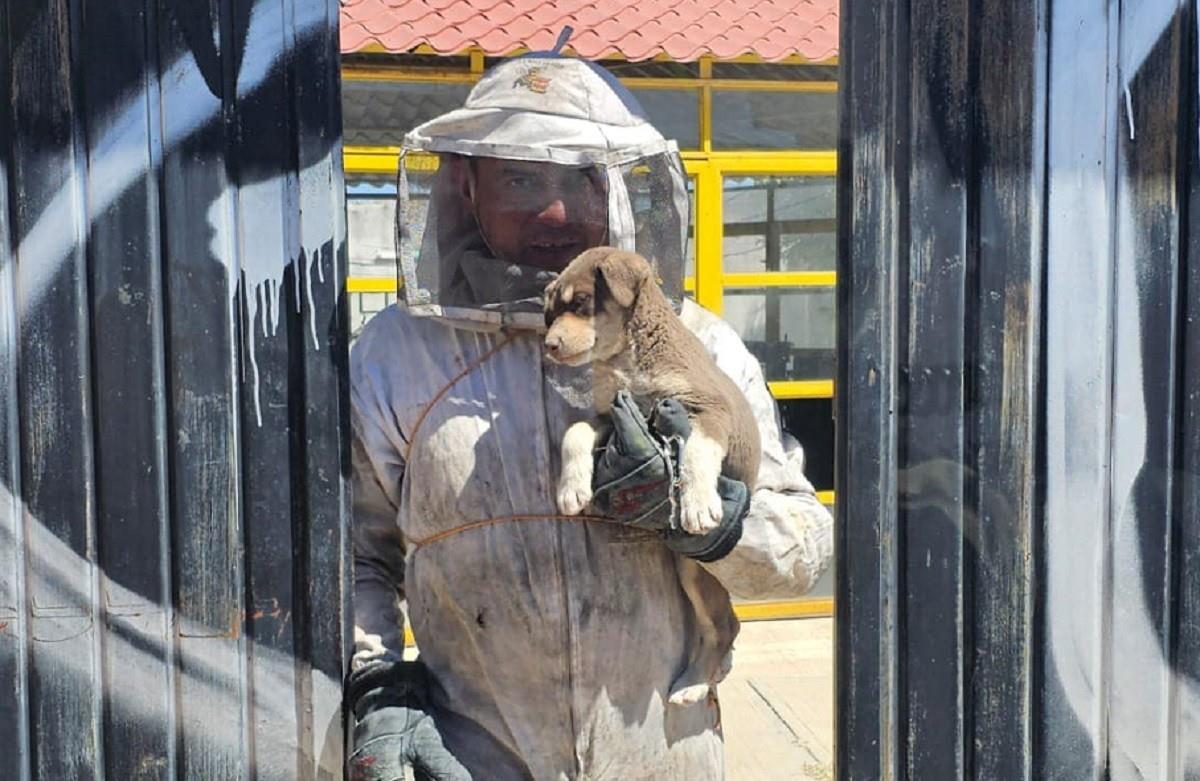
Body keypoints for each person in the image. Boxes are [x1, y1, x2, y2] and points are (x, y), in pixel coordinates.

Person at [346, 52, 834, 781]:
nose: (556, 211)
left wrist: (721, 521)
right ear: (465, 185)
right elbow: (356, 559)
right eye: (520, 177)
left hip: (666, 755)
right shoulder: (398, 354)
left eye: (581, 178)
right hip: (472, 758)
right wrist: (376, 691)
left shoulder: (698, 344)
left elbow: (808, 552)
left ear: (618, 188)